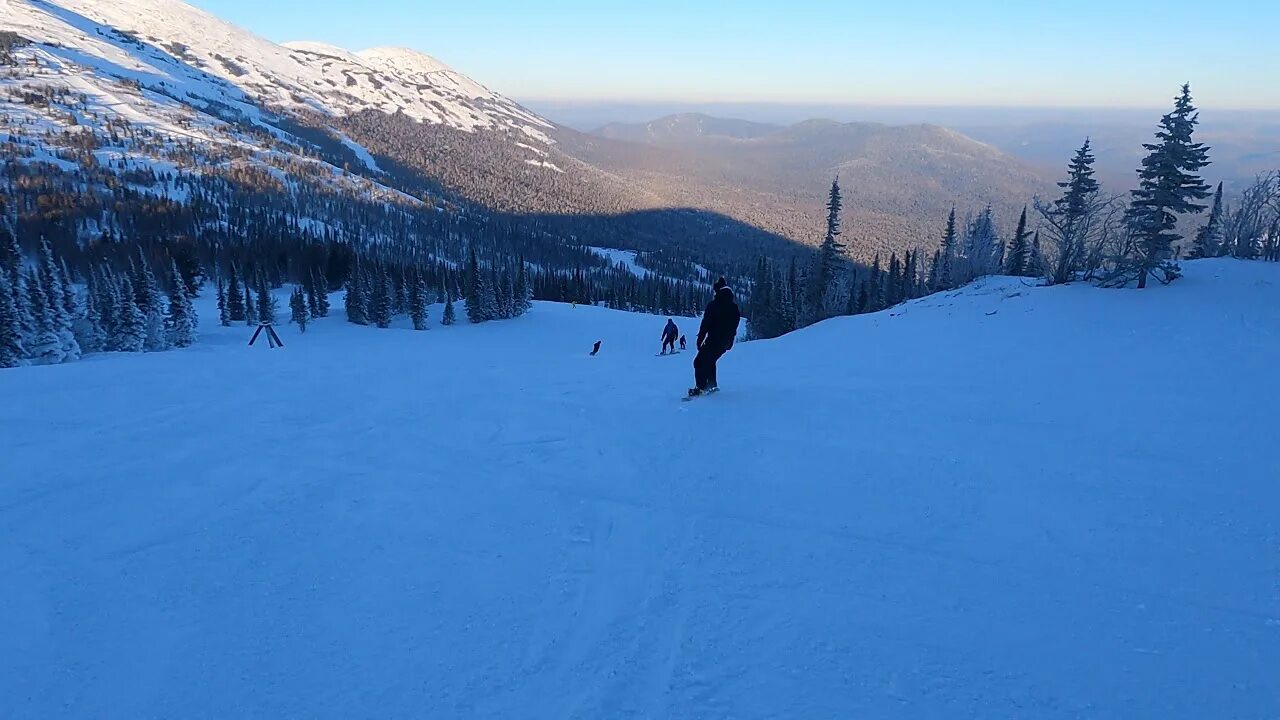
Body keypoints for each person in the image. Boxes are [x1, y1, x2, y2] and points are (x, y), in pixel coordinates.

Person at [690, 277, 740, 396]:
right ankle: (712, 386)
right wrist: (730, 340)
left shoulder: (714, 305)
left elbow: (706, 323)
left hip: (714, 340)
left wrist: (700, 339)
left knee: (699, 362)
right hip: (725, 342)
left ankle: (701, 387)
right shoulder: (733, 306)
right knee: (710, 361)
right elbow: (735, 324)